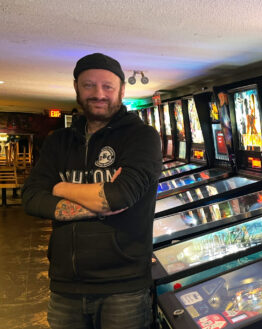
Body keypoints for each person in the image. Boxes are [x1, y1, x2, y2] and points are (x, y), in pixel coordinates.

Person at [22, 53, 162, 329]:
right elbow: (31, 198)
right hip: (64, 285)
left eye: (107, 86)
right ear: (76, 88)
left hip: (124, 286)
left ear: (122, 90)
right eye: (89, 85)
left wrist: (59, 188)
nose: (99, 94)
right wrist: (101, 202)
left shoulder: (142, 137)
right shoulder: (58, 142)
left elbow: (118, 196)